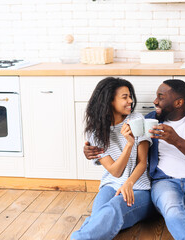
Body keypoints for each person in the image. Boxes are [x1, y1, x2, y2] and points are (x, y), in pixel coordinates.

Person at [84, 79, 185, 240]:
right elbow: (117, 165)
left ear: (178, 102)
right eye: (125, 97)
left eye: (160, 97)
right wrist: (94, 150)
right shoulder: (148, 121)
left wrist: (176, 140)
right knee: (172, 212)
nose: (154, 101)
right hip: (164, 182)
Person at [71, 77, 153, 240]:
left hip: (139, 187)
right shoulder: (95, 132)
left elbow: (142, 163)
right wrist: (129, 145)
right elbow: (115, 172)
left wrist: (128, 184)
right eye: (124, 97)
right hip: (110, 185)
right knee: (99, 217)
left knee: (112, 210)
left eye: (130, 96)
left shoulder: (137, 121)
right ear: (109, 101)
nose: (130, 101)